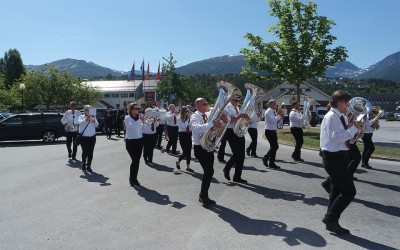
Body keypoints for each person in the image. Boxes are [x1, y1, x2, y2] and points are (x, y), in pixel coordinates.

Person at [320, 90, 362, 234]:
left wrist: (355, 134)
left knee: (336, 191)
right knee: (349, 192)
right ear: (339, 102)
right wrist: (353, 128)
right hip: (333, 158)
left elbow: (342, 139)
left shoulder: (339, 116)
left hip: (339, 156)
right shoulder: (332, 116)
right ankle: (330, 218)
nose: (348, 106)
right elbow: (335, 138)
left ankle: (332, 222)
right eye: (346, 103)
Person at [191, 98, 224, 206]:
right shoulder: (195, 116)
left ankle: (204, 195)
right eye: (205, 104)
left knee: (210, 172)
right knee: (209, 171)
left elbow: (218, 121)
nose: (207, 105)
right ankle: (203, 195)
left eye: (206, 103)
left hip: (208, 146)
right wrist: (211, 124)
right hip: (199, 147)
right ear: (198, 106)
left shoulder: (209, 114)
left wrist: (222, 119)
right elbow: (197, 129)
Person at [222, 97, 250, 184]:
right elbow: (229, 120)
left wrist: (247, 120)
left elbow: (239, 120)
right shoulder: (227, 107)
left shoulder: (237, 108)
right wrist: (241, 116)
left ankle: (237, 176)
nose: (238, 102)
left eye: (238, 100)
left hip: (239, 131)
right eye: (236, 100)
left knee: (241, 155)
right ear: (231, 100)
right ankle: (227, 168)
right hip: (230, 131)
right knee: (237, 153)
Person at [124, 102, 145, 187]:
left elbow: (142, 128)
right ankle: (132, 178)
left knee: (137, 161)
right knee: (135, 160)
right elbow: (131, 127)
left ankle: (134, 178)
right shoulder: (127, 118)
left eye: (138, 109)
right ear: (131, 109)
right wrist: (140, 120)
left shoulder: (139, 118)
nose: (137, 110)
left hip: (139, 140)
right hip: (130, 141)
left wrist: (144, 121)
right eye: (135, 109)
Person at [262, 100, 284, 169]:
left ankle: (271, 163)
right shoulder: (268, 111)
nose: (276, 106)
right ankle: (266, 157)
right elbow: (273, 120)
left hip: (273, 130)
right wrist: (279, 116)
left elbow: (275, 121)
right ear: (270, 104)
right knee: (275, 147)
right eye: (275, 104)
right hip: (269, 131)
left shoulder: (273, 111)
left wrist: (280, 117)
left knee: (273, 147)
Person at [78, 105, 99, 172]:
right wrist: (86, 119)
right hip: (84, 138)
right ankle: (84, 163)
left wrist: (93, 120)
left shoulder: (93, 117)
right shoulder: (81, 116)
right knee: (85, 151)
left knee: (90, 152)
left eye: (89, 109)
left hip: (92, 137)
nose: (87, 111)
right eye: (86, 109)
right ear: (84, 110)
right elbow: (80, 124)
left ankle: (89, 165)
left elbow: (97, 125)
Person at [176, 106, 194, 172]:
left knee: (189, 151)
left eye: (188, 111)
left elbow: (191, 126)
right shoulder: (179, 118)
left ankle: (188, 167)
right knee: (185, 151)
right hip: (182, 135)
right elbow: (183, 126)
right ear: (183, 111)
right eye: (187, 111)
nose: (188, 112)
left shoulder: (189, 118)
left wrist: (189, 121)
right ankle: (178, 161)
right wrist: (188, 121)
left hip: (188, 134)